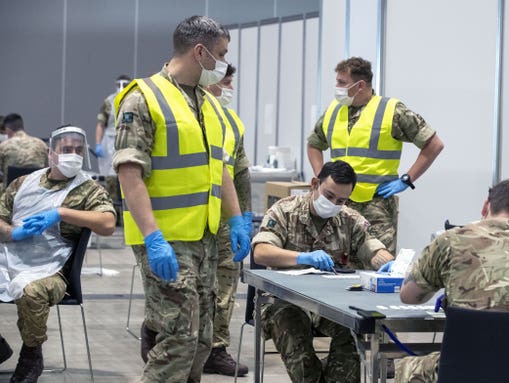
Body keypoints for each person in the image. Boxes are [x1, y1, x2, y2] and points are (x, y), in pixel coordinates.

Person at [112, 15, 251, 383]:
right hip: (165, 238)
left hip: (203, 238)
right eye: (220, 55)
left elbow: (219, 166)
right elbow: (129, 172)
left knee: (202, 340)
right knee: (178, 339)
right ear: (200, 51)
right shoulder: (143, 98)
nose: (222, 64)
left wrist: (236, 219)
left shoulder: (207, 102)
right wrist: (153, 239)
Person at [392, 179, 509, 383]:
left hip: (466, 369)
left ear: (485, 206)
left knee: (406, 367)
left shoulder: (451, 240)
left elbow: (408, 296)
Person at [252, 160, 395, 383]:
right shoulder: (284, 210)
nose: (334, 204)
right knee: (301, 356)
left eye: (341, 200)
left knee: (353, 335)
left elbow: (372, 247)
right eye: (329, 196)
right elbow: (261, 251)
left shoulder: (349, 218)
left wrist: (388, 263)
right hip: (285, 301)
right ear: (314, 184)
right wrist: (301, 258)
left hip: (330, 303)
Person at [0, 125, 116, 382]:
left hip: (52, 270)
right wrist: (13, 233)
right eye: (66, 150)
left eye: (77, 150)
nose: (72, 155)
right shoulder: (23, 183)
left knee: (31, 291)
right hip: (10, 257)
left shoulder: (87, 189)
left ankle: (31, 356)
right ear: (51, 154)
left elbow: (108, 224)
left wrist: (61, 213)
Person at [307, 57, 444, 256]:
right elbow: (314, 144)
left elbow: (434, 144)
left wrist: (407, 179)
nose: (337, 87)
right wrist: (322, 178)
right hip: (339, 204)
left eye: (342, 82)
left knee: (376, 263)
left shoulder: (391, 110)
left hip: (376, 205)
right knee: (334, 261)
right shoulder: (333, 111)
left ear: (360, 85)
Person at [202, 64, 252, 376]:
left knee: (225, 283)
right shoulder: (192, 113)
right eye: (227, 80)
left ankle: (216, 349)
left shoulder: (232, 121)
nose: (230, 87)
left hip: (226, 218)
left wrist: (244, 216)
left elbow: (241, 171)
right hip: (195, 214)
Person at [94, 74, 131, 211]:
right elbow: (100, 124)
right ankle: (112, 214)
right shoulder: (109, 102)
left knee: (126, 178)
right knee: (110, 180)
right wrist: (98, 144)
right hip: (109, 142)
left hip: (127, 140)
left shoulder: (135, 99)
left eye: (125, 85)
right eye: (119, 85)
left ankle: (124, 215)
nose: (122, 88)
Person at [0, 113, 49, 188]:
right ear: (22, 127)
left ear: (8, 130)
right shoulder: (41, 145)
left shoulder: (3, 147)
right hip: (36, 192)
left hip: (11, 194)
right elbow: (47, 169)